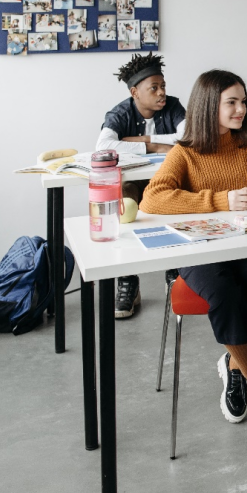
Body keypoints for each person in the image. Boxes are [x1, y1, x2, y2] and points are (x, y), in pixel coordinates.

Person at [141, 70, 247, 426]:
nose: (241, 109)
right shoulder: (185, 153)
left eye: (243, 101)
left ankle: (235, 364)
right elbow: (152, 199)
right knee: (224, 293)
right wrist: (219, 200)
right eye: (232, 102)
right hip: (198, 251)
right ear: (208, 105)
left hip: (244, 244)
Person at [99, 53, 186, 318]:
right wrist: (156, 145)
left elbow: (190, 136)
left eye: (163, 87)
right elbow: (104, 146)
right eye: (154, 88)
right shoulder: (120, 112)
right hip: (133, 183)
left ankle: (177, 274)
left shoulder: (173, 106)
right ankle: (127, 281)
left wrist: (144, 139)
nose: (162, 93)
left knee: (177, 203)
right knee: (123, 207)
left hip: (165, 180)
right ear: (135, 92)